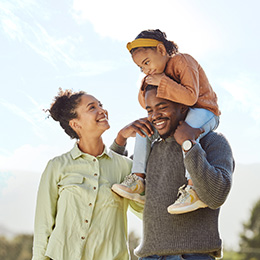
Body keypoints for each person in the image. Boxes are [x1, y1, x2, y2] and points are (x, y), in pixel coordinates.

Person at [111, 85, 235, 259]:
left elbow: (216, 196)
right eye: (150, 110)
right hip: (149, 255)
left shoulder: (213, 141)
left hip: (192, 255)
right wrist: (120, 139)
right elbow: (111, 177)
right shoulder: (150, 150)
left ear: (183, 107)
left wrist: (188, 144)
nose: (155, 116)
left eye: (162, 107)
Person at [112, 29, 220, 214]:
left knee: (188, 129)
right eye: (141, 67)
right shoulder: (157, 73)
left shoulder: (182, 61)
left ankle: (194, 189)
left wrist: (162, 81)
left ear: (161, 50)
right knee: (144, 128)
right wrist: (146, 82)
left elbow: (190, 97)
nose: (146, 69)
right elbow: (145, 103)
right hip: (180, 114)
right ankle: (138, 179)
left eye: (146, 62)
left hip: (204, 110)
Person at [32, 88, 145, 260]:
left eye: (100, 105)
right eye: (92, 107)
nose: (101, 110)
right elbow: (43, 226)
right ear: (76, 124)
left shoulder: (126, 167)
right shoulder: (57, 166)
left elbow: (147, 212)